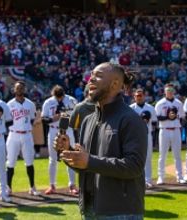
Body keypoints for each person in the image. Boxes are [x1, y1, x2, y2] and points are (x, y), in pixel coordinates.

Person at [54, 62, 147, 220]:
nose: (91, 79)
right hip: (90, 209)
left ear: (115, 84)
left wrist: (89, 161)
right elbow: (85, 167)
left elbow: (134, 166)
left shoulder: (130, 119)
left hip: (120, 212)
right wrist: (67, 151)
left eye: (98, 76)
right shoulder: (88, 120)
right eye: (91, 75)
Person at [41, 85, 79, 195]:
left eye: (61, 97)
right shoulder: (48, 102)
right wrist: (55, 118)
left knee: (70, 156)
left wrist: (68, 118)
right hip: (53, 130)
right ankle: (52, 185)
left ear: (63, 94)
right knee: (52, 159)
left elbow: (77, 117)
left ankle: (72, 184)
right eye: (57, 97)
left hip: (68, 130)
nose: (59, 99)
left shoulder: (71, 100)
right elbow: (44, 119)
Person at [6, 81, 40, 196]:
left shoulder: (30, 104)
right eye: (17, 88)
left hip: (27, 135)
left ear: (24, 90)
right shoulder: (9, 104)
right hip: (13, 134)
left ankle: (32, 187)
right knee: (10, 162)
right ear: (14, 90)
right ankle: (8, 188)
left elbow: (32, 119)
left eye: (21, 88)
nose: (19, 90)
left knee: (29, 161)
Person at [155, 83, 186, 185]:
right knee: (162, 155)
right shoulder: (160, 103)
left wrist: (175, 121)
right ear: (165, 91)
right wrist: (168, 117)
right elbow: (157, 118)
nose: (170, 92)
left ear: (174, 91)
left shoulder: (178, 103)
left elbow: (181, 116)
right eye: (168, 90)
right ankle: (161, 177)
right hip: (164, 129)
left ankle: (180, 176)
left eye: (171, 90)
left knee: (177, 154)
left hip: (176, 129)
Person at [130, 88, 157, 188]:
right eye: (137, 96)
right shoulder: (131, 108)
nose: (139, 97)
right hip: (134, 136)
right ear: (134, 97)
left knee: (148, 157)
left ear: (144, 96)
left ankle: (148, 180)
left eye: (141, 95)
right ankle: (134, 180)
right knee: (133, 158)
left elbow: (154, 123)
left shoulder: (150, 108)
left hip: (146, 135)